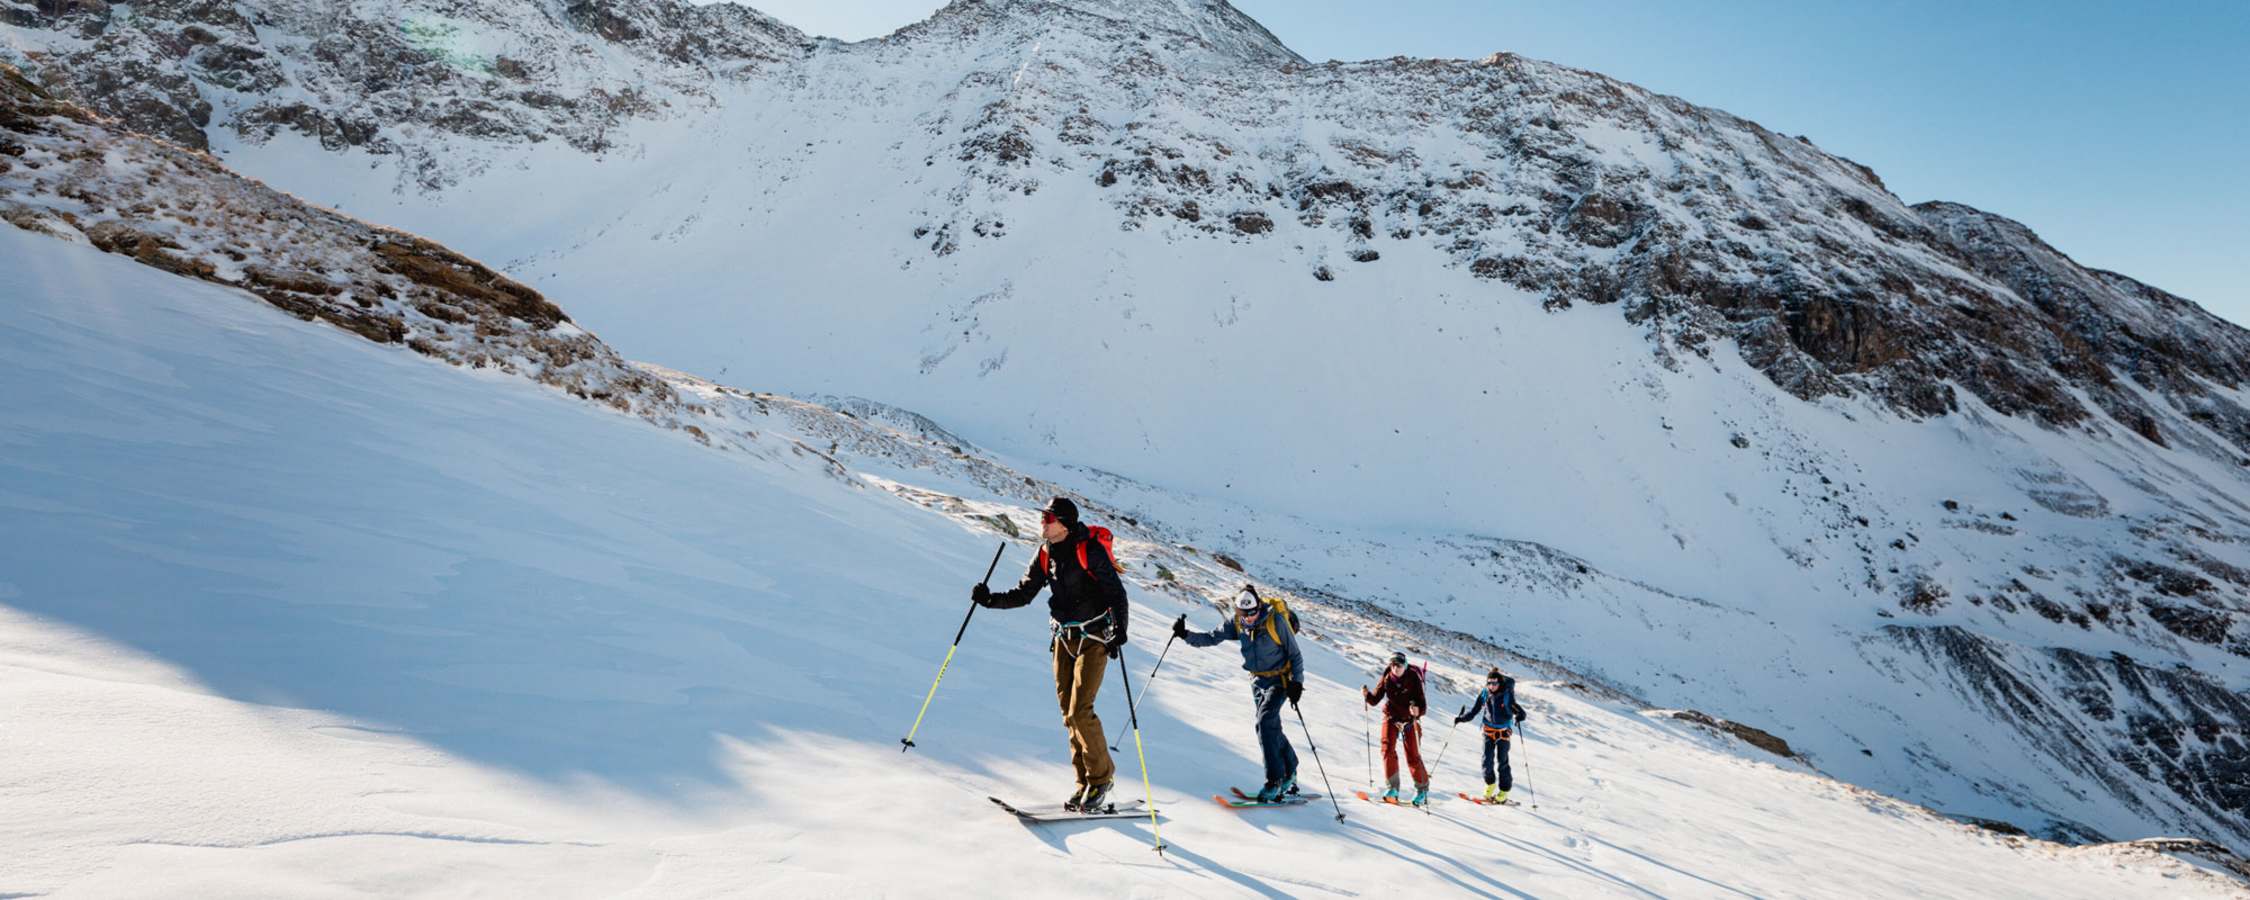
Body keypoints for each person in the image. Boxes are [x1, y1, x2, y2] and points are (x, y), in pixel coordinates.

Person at [974, 497, 1130, 812]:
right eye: (1043, 517)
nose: (1042, 522)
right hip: (1062, 638)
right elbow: (1024, 593)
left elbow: (1116, 593)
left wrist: (1120, 633)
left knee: (1079, 711)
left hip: (1094, 637)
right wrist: (989, 600)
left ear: (1064, 523)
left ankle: (1102, 780)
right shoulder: (1046, 553)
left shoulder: (1089, 550)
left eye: (1048, 517)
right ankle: (1083, 783)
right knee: (1068, 715)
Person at [1174, 589, 1306, 802]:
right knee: (1267, 726)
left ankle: (1275, 781)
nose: (1248, 619)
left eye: (1252, 613)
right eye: (1243, 614)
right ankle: (1290, 770)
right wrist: (1185, 635)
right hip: (1257, 681)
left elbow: (1295, 655)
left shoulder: (1276, 622)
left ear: (1259, 608)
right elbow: (1211, 637)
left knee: (1265, 722)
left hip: (1280, 681)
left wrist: (1297, 683)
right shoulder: (1237, 623)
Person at [1364, 651, 1431, 805]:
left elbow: (1423, 706)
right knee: (1387, 750)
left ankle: (1422, 790)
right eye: (1393, 665)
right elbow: (1375, 699)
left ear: (1405, 665)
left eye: (1398, 665)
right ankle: (1392, 788)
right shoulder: (1387, 676)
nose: (1395, 668)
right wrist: (1367, 695)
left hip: (1409, 721)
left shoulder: (1413, 678)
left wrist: (1417, 711)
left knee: (1413, 756)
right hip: (1391, 717)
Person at [1455, 667, 1529, 803]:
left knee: (1503, 762)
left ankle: (1504, 791)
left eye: (1494, 683)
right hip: (1488, 731)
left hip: (1503, 733)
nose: (1491, 686)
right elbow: (1475, 710)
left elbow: (1518, 710)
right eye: (1489, 683)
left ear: (1499, 683)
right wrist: (1462, 718)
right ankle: (1490, 784)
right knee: (1486, 761)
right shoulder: (1485, 693)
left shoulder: (1506, 695)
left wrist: (1519, 716)